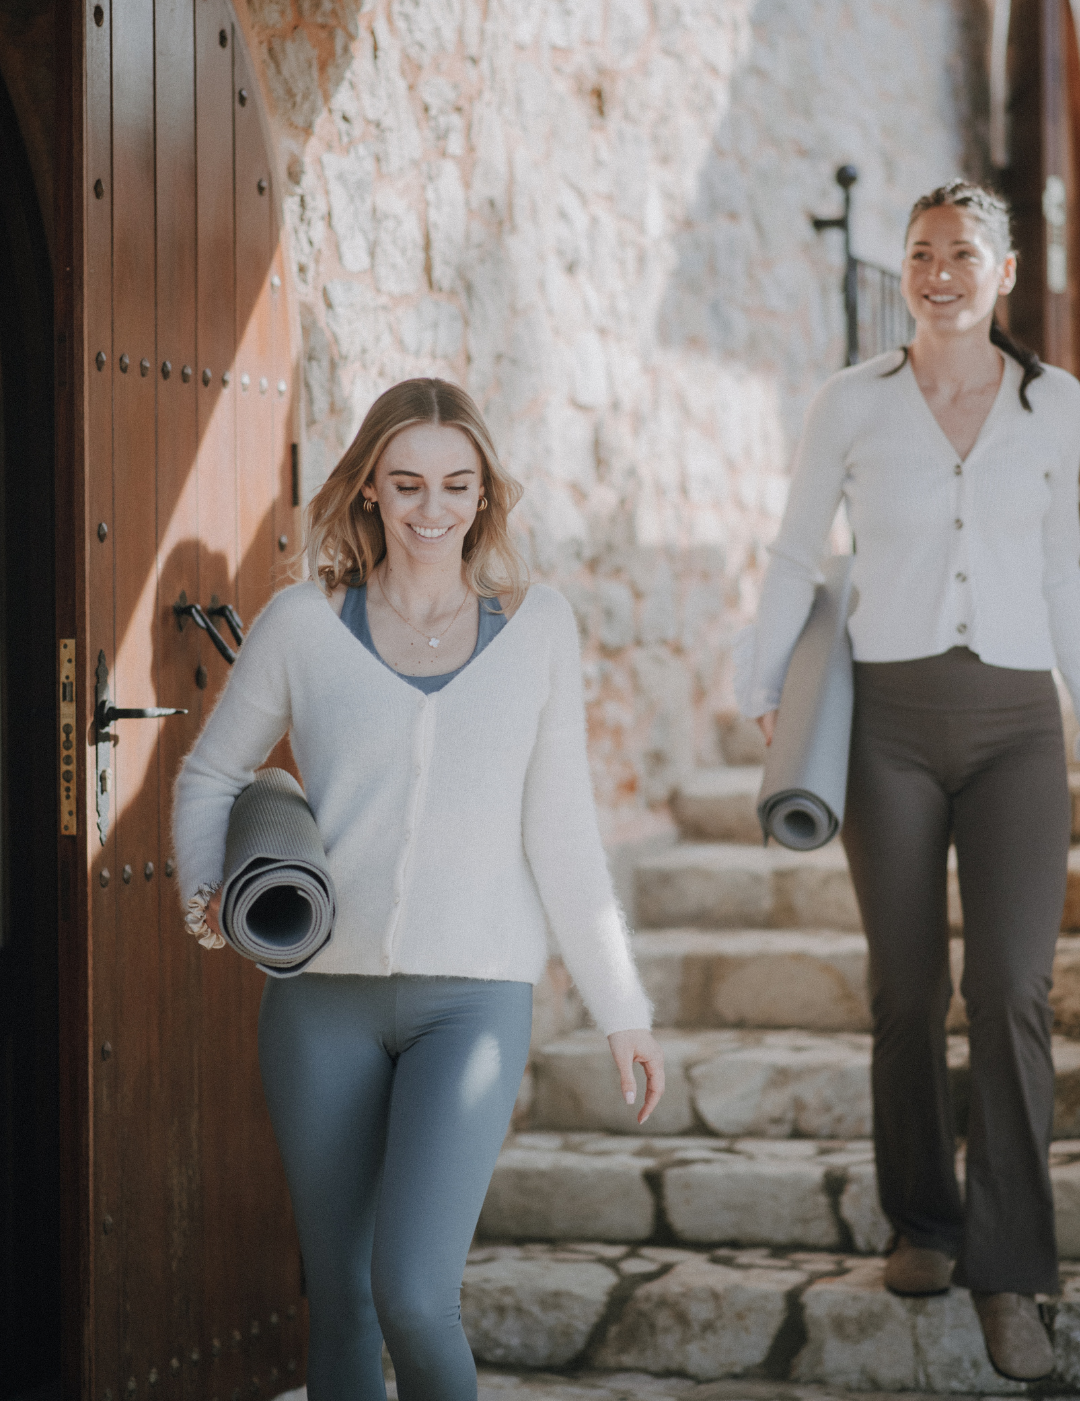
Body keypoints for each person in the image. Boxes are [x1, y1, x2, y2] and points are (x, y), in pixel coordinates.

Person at [173, 377, 664, 1401]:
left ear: (485, 493)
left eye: (455, 484)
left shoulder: (538, 627)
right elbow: (213, 771)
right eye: (406, 485)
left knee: (412, 1293)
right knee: (344, 1300)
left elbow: (564, 833)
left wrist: (624, 1011)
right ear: (368, 492)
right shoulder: (303, 623)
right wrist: (206, 889)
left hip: (474, 1004)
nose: (432, 510)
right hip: (319, 1006)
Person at [741, 181, 1080, 1380]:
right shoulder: (851, 403)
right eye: (923, 253)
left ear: (1006, 271)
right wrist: (759, 684)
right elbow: (792, 552)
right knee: (903, 990)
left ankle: (1012, 1272)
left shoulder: (1059, 410)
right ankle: (921, 1222)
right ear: (907, 270)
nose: (941, 270)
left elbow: (1067, 581)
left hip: (1017, 732)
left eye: (964, 253)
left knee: (1009, 992)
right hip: (886, 727)